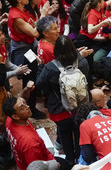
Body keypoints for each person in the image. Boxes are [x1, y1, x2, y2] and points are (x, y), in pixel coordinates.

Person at [36, 35, 90, 163]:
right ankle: (79, 159)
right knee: (79, 134)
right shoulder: (82, 62)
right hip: (80, 109)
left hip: (60, 110)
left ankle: (70, 161)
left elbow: (39, 84)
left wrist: (40, 67)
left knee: (64, 135)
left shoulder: (50, 67)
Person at [3, 95, 56, 170]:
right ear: (16, 116)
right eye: (22, 108)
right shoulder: (30, 142)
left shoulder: (9, 120)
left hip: (24, 163)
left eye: (25, 103)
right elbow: (37, 169)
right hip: (39, 168)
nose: (27, 106)